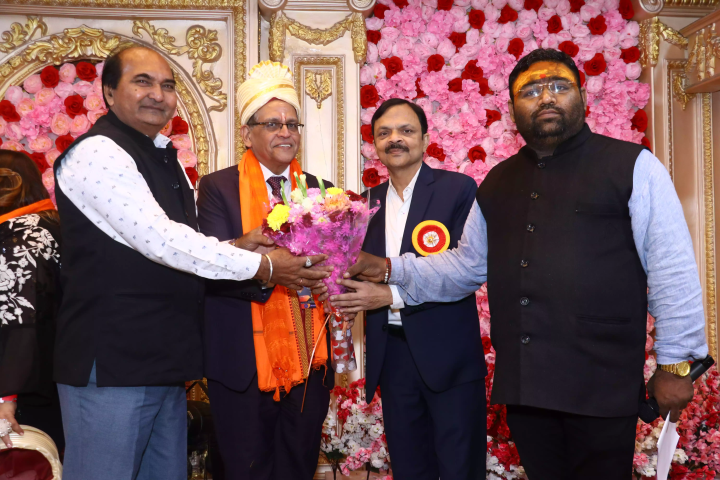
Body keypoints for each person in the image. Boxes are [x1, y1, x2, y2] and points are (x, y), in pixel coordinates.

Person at [339, 48, 709, 479]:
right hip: (527, 388)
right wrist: (389, 267)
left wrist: (676, 365)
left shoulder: (633, 166)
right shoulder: (498, 181)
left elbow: (671, 269)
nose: (546, 97)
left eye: (558, 86)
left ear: (581, 95)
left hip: (602, 383)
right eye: (530, 91)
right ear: (513, 108)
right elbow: (465, 267)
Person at [52, 47, 329, 480]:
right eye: (142, 81)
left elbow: (183, 246)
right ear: (108, 92)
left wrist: (238, 246)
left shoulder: (164, 157)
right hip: (112, 364)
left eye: (167, 85)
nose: (157, 94)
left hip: (164, 362)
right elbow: (162, 241)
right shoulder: (97, 153)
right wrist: (265, 267)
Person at [317, 98, 486, 479]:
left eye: (406, 131)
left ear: (425, 140)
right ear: (374, 145)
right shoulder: (364, 204)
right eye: (384, 133)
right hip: (392, 355)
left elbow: (466, 271)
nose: (395, 139)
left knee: (461, 468)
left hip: (449, 355)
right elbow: (356, 271)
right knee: (409, 468)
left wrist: (390, 294)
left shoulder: (457, 189)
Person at [196, 61, 336, 480]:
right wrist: (275, 270)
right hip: (242, 358)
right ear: (247, 133)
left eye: (292, 124)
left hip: (309, 359)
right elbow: (212, 269)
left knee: (297, 465)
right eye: (273, 124)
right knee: (246, 469)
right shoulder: (217, 188)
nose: (285, 133)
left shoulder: (321, 191)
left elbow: (332, 267)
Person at [0, 151, 64, 451]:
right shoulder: (48, 224)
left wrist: (6, 396)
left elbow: (19, 316)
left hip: (23, 389)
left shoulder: (22, 234)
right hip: (53, 375)